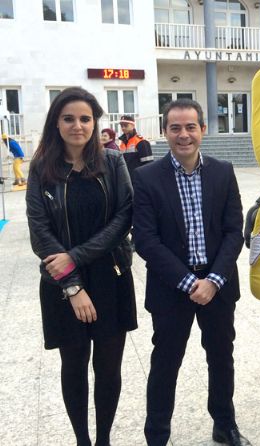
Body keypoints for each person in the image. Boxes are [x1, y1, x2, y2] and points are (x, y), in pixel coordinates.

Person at [132, 99, 249, 446]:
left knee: (221, 357)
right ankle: (157, 434)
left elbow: (233, 230)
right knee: (166, 362)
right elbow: (145, 240)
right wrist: (188, 283)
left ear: (203, 129)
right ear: (165, 131)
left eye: (191, 127)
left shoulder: (222, 171)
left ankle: (224, 425)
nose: (184, 135)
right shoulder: (146, 177)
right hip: (172, 289)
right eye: (176, 128)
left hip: (218, 286)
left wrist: (213, 280)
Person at [25, 87, 137, 446]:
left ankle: (103, 439)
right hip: (61, 284)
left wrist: (76, 256)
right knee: (73, 367)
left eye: (85, 118)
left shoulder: (113, 162)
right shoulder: (41, 168)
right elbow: (40, 234)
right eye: (69, 118)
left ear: (95, 123)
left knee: (108, 368)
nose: (78, 125)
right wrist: (72, 284)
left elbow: (123, 218)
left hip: (110, 276)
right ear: (56, 123)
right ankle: (83, 441)